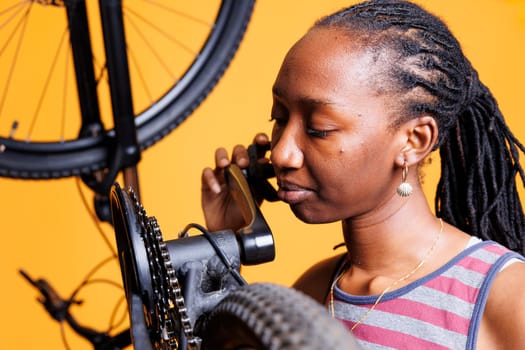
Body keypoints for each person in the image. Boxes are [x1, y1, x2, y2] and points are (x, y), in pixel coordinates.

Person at [200, 0, 525, 348]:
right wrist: (224, 247)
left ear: (414, 141)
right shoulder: (314, 292)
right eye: (279, 118)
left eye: (318, 128)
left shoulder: (503, 296)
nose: (281, 153)